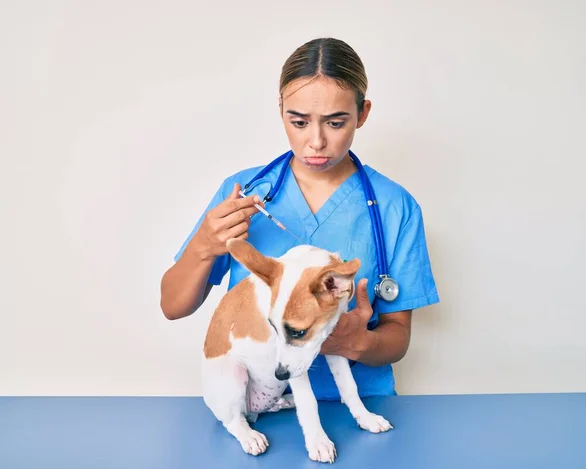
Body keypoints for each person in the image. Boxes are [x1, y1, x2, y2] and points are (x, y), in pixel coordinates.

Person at [160, 37, 439, 400]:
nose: (316, 141)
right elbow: (173, 306)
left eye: (336, 123)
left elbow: (397, 336)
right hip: (259, 407)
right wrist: (203, 246)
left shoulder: (395, 207)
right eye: (299, 121)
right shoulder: (242, 193)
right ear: (280, 110)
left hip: (357, 406)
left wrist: (360, 343)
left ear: (363, 113)